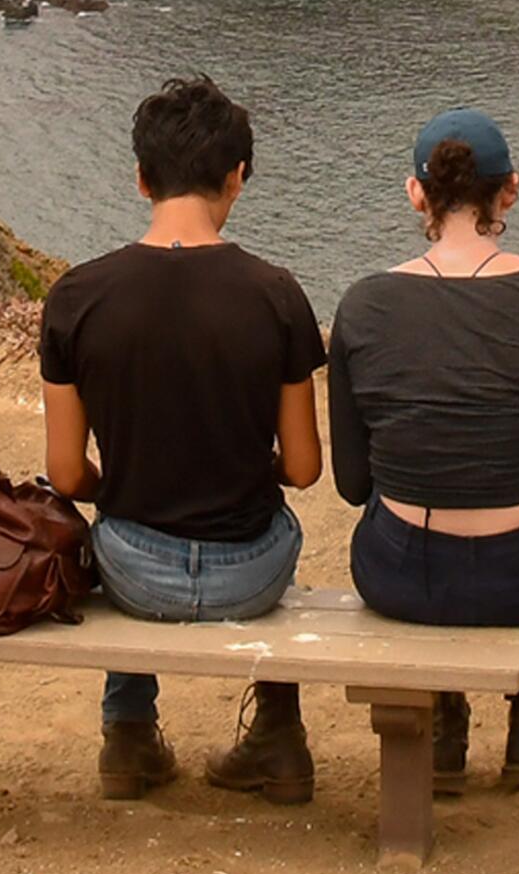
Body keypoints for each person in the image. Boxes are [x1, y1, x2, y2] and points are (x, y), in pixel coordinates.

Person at [326, 108, 519, 792]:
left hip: (400, 574)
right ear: (511, 190)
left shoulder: (363, 303)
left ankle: (443, 724)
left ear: (416, 194)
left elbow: (352, 484)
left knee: (428, 490)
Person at [39, 76, 328, 803]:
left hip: (134, 570)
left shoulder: (76, 298)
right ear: (237, 177)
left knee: (113, 524)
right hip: (253, 575)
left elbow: (67, 474)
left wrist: (130, 484)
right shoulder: (278, 294)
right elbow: (302, 468)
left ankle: (129, 734)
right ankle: (279, 735)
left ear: (140, 178)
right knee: (278, 521)